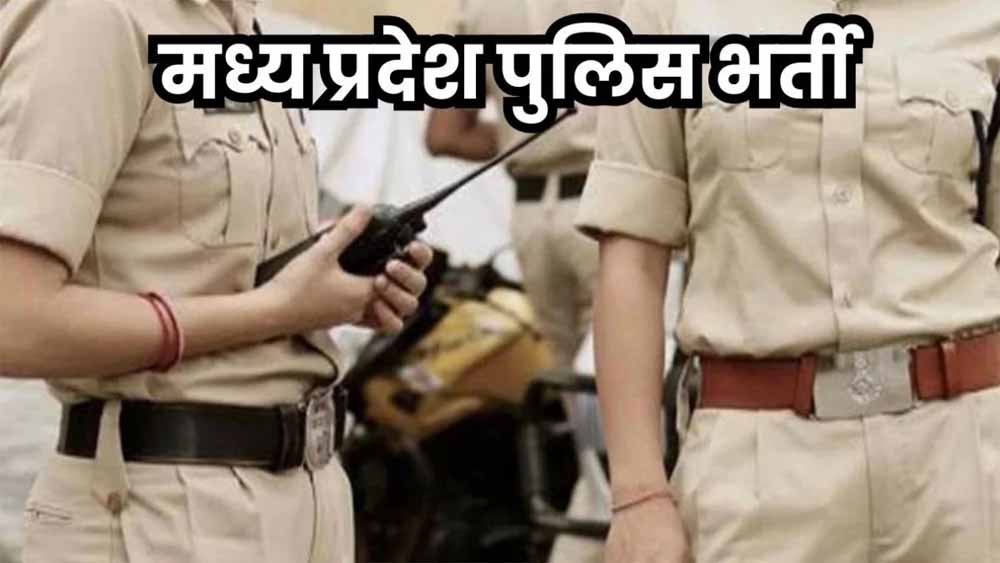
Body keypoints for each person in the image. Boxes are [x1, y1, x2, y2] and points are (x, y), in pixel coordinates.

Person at [0, 0, 434, 561]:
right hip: (158, 508)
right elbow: (14, 322)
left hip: (308, 497)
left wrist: (334, 279)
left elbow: (209, 263)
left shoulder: (239, 25)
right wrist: (280, 310)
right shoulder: (92, 17)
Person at [576, 0, 1000, 562]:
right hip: (758, 473)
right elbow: (631, 261)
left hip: (964, 459)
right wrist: (638, 496)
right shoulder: (670, 13)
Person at [424, 2, 622, 561]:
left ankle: (591, 528)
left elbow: (444, 133)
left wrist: (529, 138)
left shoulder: (479, 10)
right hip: (612, 204)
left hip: (535, 218)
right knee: (634, 401)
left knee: (583, 404)